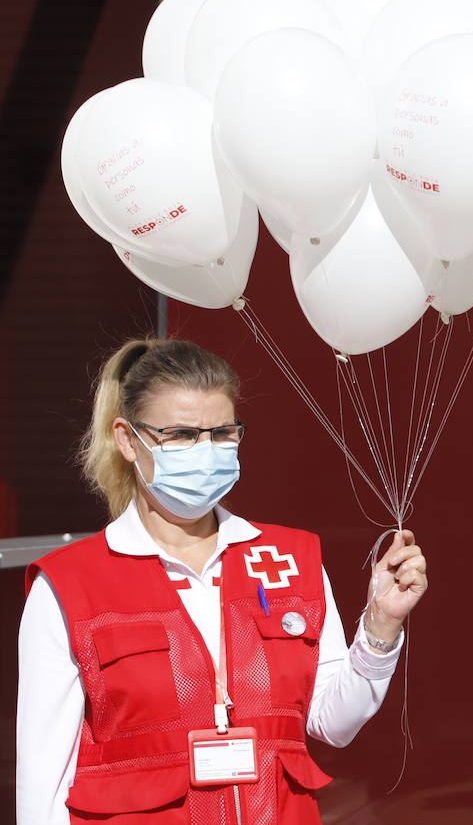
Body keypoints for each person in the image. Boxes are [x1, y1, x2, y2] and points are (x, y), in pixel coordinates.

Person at [16, 338, 428, 825]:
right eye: (183, 435)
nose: (206, 451)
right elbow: (43, 777)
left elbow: (333, 724)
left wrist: (381, 627)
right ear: (128, 440)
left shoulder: (289, 558)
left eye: (222, 433)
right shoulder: (70, 583)